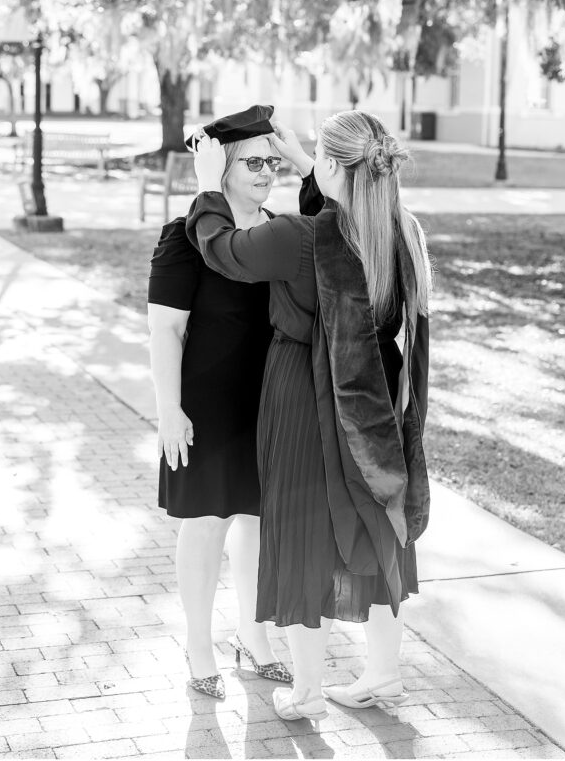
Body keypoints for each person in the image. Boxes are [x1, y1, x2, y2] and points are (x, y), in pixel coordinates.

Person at [186, 109, 431, 723]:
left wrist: (209, 186)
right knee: (375, 525)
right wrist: (307, 160)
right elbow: (343, 214)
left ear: (333, 168)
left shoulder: (298, 238)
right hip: (374, 399)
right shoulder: (400, 231)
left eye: (316, 156)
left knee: (300, 530)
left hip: (305, 391)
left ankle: (308, 690)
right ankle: (384, 673)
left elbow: (223, 250)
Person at [147, 104, 292, 700]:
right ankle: (198, 643)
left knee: (258, 522)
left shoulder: (277, 232)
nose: (267, 173)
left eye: (273, 163)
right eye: (254, 162)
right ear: (222, 166)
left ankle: (253, 637)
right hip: (205, 404)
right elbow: (165, 330)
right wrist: (169, 408)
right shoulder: (184, 237)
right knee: (207, 522)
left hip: (269, 400)